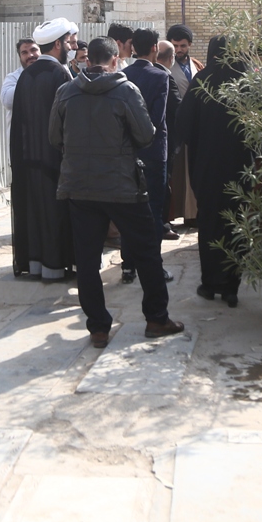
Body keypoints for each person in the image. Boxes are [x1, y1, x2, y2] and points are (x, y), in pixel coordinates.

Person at [49, 36, 184, 348]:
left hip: (80, 188)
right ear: (114, 61)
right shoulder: (126, 91)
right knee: (147, 252)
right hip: (122, 187)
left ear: (86, 60)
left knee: (87, 259)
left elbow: (54, 138)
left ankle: (98, 328)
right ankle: (156, 318)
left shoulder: (66, 92)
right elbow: (146, 134)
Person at [177, 35, 253, 307]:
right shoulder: (248, 82)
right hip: (241, 170)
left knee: (209, 224)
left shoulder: (202, 81)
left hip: (207, 169)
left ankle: (210, 284)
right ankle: (232, 286)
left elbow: (183, 126)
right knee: (236, 224)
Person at [10, 18, 78, 279]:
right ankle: (54, 269)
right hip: (54, 159)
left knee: (35, 212)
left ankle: (36, 265)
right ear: (58, 44)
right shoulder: (60, 74)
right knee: (54, 215)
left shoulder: (27, 74)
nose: (71, 48)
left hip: (29, 158)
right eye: (68, 43)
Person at [124, 28, 182, 261]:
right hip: (155, 151)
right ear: (155, 48)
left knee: (129, 210)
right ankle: (152, 264)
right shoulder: (160, 76)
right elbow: (157, 118)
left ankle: (128, 264)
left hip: (127, 151)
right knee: (154, 209)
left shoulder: (124, 74)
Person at [165, 24, 199, 225]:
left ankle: (192, 214)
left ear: (189, 45)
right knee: (176, 174)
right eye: (175, 46)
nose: (178, 50)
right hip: (175, 127)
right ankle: (173, 214)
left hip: (195, 128)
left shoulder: (196, 64)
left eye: (183, 46)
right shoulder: (166, 67)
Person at [1, 37, 39, 128]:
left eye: (33, 50)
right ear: (20, 57)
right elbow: (7, 102)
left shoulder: (52, 74)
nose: (30, 55)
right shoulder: (13, 77)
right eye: (24, 53)